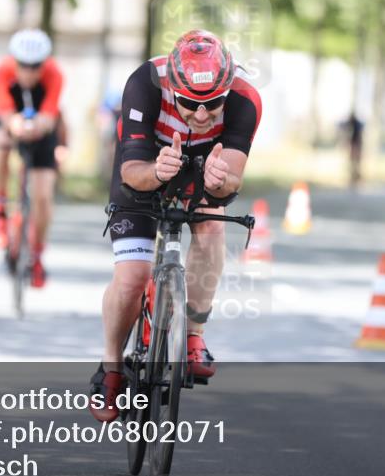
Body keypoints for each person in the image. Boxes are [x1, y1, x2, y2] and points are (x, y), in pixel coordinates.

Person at [89, 29, 262, 422]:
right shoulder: (145, 83)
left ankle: (194, 336)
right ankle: (111, 366)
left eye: (212, 104)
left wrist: (221, 181)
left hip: (203, 168)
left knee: (212, 227)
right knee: (133, 277)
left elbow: (232, 180)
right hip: (146, 166)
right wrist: (157, 171)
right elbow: (131, 170)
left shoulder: (246, 99)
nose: (201, 115)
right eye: (189, 103)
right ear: (173, 87)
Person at [0, 29, 63, 288]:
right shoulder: (1, 73)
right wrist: (15, 125)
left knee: (42, 197)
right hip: (13, 117)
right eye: (23, 66)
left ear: (44, 64)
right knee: (0, 141)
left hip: (42, 125)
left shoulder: (54, 74)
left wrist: (39, 126)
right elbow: (6, 114)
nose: (29, 72)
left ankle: (37, 256)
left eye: (35, 66)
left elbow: (50, 115)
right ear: (14, 61)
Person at [340, 111, 364, 186]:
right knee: (353, 161)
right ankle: (354, 175)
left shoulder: (356, 124)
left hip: (356, 144)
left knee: (355, 161)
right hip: (355, 144)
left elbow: (356, 136)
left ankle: (356, 176)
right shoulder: (353, 124)